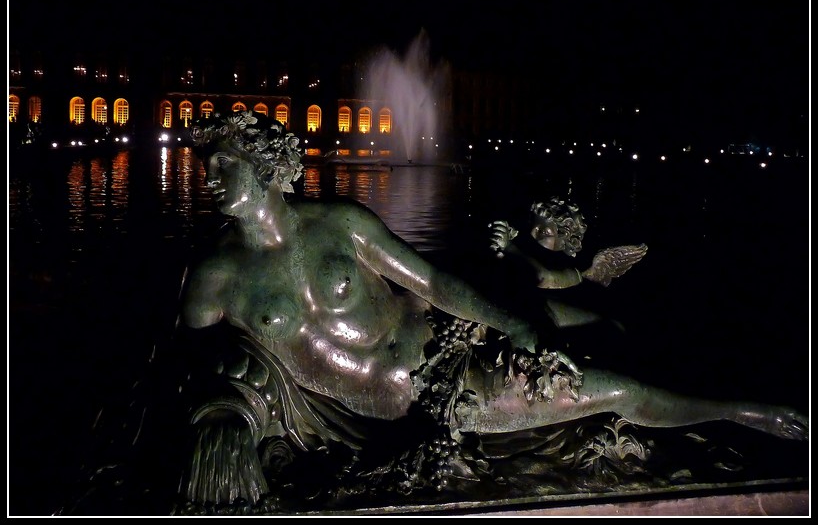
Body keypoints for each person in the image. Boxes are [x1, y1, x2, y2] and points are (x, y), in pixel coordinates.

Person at [176, 111, 807, 509]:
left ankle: (745, 411)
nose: (208, 174)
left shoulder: (341, 224)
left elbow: (437, 284)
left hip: (444, 369)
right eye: (207, 164)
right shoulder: (215, 275)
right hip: (357, 417)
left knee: (612, 389)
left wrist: (519, 328)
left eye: (223, 163)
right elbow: (190, 360)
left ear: (263, 167)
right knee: (603, 381)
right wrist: (221, 413)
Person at [488, 197, 648, 329]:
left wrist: (509, 247)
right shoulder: (526, 257)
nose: (532, 235)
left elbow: (541, 277)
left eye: (544, 233)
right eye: (532, 228)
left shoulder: (573, 274)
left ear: (565, 241)